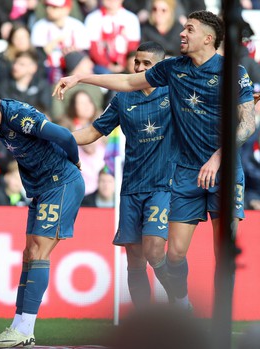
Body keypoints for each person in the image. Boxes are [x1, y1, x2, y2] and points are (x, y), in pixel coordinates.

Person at [54, 10, 256, 308]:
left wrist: (218, 157)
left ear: (208, 38)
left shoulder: (233, 72)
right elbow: (127, 82)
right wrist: (81, 77)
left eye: (189, 29)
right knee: (172, 255)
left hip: (224, 170)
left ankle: (219, 325)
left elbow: (248, 123)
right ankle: (182, 305)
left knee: (223, 252)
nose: (182, 34)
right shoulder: (173, 69)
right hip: (187, 174)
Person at [0, 75, 84, 347]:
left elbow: (65, 136)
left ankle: (24, 330)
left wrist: (75, 164)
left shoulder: (18, 115)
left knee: (39, 252)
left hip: (61, 183)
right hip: (41, 188)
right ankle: (18, 327)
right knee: (29, 254)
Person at [72, 41, 176, 306]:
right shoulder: (123, 97)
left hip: (163, 185)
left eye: (146, 64)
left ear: (160, 67)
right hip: (131, 186)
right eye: (136, 63)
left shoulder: (173, 91)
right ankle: (145, 325)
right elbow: (93, 132)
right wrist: (54, 136)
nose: (139, 68)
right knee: (135, 261)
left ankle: (181, 302)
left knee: (154, 250)